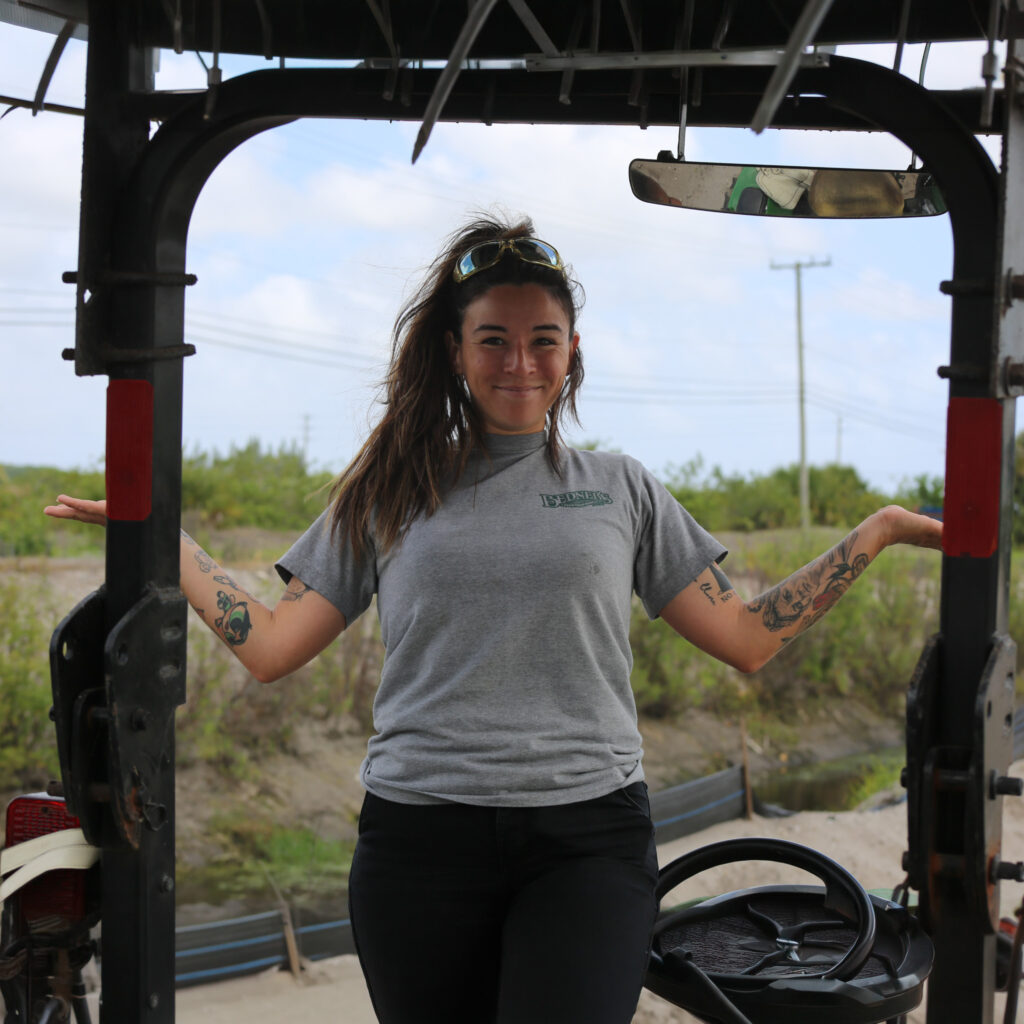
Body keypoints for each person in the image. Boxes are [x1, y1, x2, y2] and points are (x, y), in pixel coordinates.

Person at [46, 214, 943, 1024]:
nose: (521, 362)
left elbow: (747, 639)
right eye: (495, 340)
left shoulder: (618, 486)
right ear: (455, 348)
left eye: (542, 340)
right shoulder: (392, 487)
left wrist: (878, 532)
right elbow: (275, 645)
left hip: (587, 839)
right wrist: (166, 541)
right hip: (418, 842)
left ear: (573, 350)